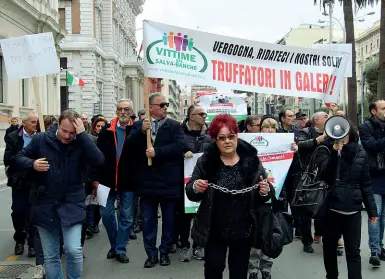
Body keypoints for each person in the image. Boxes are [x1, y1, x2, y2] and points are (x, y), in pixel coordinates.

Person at [15, 110, 104, 279]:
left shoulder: (82, 142)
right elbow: (19, 158)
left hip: (72, 202)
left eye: (72, 132)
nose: (67, 136)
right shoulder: (41, 139)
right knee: (51, 255)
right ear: (58, 124)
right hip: (45, 202)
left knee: (74, 249)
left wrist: (82, 136)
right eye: (64, 131)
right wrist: (32, 163)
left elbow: (99, 161)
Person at [186, 114, 271, 279]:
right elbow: (190, 191)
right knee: (214, 266)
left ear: (237, 137)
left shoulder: (252, 161)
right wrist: (196, 187)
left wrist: (265, 190)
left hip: (244, 227)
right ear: (215, 140)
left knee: (239, 271)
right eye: (222, 138)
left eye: (231, 136)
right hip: (214, 226)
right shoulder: (205, 161)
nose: (227, 141)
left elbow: (265, 192)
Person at [124, 93, 184, 268]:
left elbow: (180, 146)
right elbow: (128, 148)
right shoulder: (138, 126)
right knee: (149, 221)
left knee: (169, 220)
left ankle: (164, 251)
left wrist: (158, 152)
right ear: (151, 107)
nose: (166, 107)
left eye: (166, 104)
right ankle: (151, 254)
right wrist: (141, 132)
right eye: (162, 104)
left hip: (168, 182)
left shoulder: (174, 126)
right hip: (147, 182)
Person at [315, 124, 377, 279]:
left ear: (351, 134)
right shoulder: (325, 150)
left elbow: (366, 184)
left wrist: (372, 210)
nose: (341, 137)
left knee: (353, 251)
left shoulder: (360, 152)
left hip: (353, 209)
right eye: (337, 134)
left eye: (344, 134)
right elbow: (325, 175)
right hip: (331, 208)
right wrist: (335, 154)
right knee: (329, 248)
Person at [92, 99, 136, 263]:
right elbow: (96, 157)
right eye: (120, 109)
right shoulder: (105, 131)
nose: (123, 112)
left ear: (131, 112)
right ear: (116, 111)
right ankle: (115, 244)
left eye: (126, 109)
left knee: (126, 217)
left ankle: (120, 249)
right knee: (106, 214)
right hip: (105, 181)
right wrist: (95, 178)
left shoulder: (137, 130)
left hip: (128, 181)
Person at [178, 104, 211, 262]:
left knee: (202, 214)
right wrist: (182, 154)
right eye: (201, 114)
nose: (204, 116)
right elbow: (172, 152)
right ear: (191, 116)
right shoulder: (179, 134)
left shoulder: (209, 136)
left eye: (205, 114)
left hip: (205, 181)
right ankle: (184, 245)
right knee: (184, 215)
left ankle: (199, 245)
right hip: (184, 181)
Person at [4, 112, 39, 258]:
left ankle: (32, 244)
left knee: (33, 213)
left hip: (36, 180)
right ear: (24, 123)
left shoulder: (40, 137)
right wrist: (27, 161)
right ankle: (20, 239)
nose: (35, 124)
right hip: (19, 181)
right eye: (32, 122)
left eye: (36, 122)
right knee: (18, 211)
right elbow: (8, 158)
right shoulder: (13, 137)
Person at [296, 111, 329, 253]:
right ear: (316, 120)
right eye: (325, 117)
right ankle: (306, 241)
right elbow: (300, 145)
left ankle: (321, 234)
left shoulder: (331, 132)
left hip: (323, 174)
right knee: (306, 208)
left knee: (323, 206)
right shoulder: (304, 132)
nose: (328, 118)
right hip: (307, 175)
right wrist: (319, 139)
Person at [359, 100, 385, 266]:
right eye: (383, 108)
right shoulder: (365, 127)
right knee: (375, 215)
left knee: (383, 218)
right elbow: (371, 146)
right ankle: (374, 251)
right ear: (374, 111)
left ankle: (380, 247)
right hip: (373, 177)